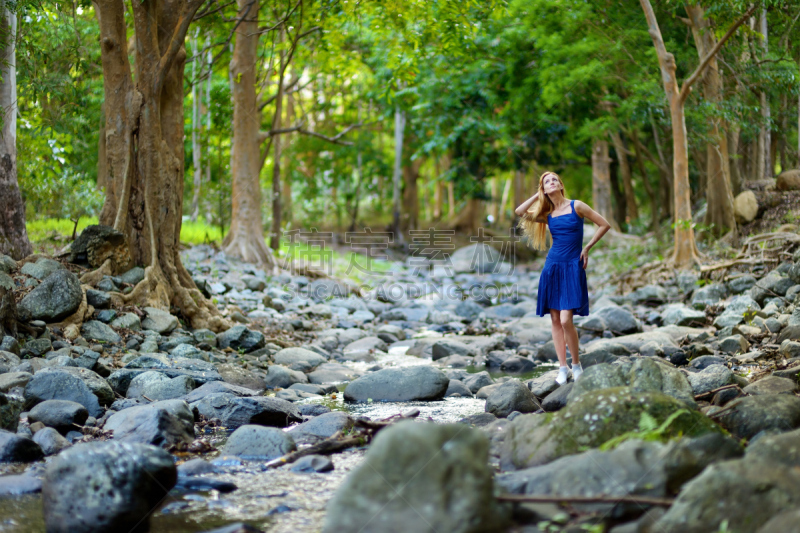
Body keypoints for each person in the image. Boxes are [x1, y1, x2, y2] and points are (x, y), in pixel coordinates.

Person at [515, 171, 611, 385]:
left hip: (572, 266)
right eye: (546, 181)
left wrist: (587, 248)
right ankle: (562, 368)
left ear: (560, 184)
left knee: (567, 319)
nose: (551, 183)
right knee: (556, 320)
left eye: (554, 180)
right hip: (553, 266)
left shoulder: (577, 206)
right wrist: (537, 193)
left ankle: (576, 365)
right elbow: (520, 211)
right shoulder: (546, 213)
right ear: (544, 188)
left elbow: (604, 224)